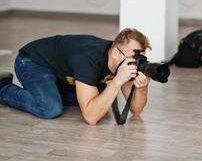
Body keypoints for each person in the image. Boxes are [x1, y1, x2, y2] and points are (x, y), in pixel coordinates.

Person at [0, 28, 151, 125]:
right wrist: (117, 82)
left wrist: (142, 88)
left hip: (64, 74)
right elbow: (91, 118)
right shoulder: (88, 59)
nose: (137, 63)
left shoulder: (123, 61)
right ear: (116, 52)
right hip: (34, 62)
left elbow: (136, 110)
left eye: (141, 59)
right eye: (135, 57)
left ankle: (52, 91)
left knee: (99, 102)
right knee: (50, 108)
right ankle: (4, 88)